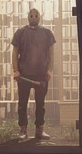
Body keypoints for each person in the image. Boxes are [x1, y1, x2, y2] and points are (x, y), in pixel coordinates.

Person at [11, 8, 56, 140]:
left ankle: (39, 130)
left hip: (41, 75)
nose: (34, 17)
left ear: (40, 17)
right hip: (24, 74)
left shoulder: (47, 33)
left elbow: (51, 53)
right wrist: (15, 70)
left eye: (36, 15)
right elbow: (15, 52)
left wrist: (50, 70)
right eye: (31, 15)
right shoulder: (20, 32)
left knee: (40, 104)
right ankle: (23, 130)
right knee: (22, 103)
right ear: (28, 17)